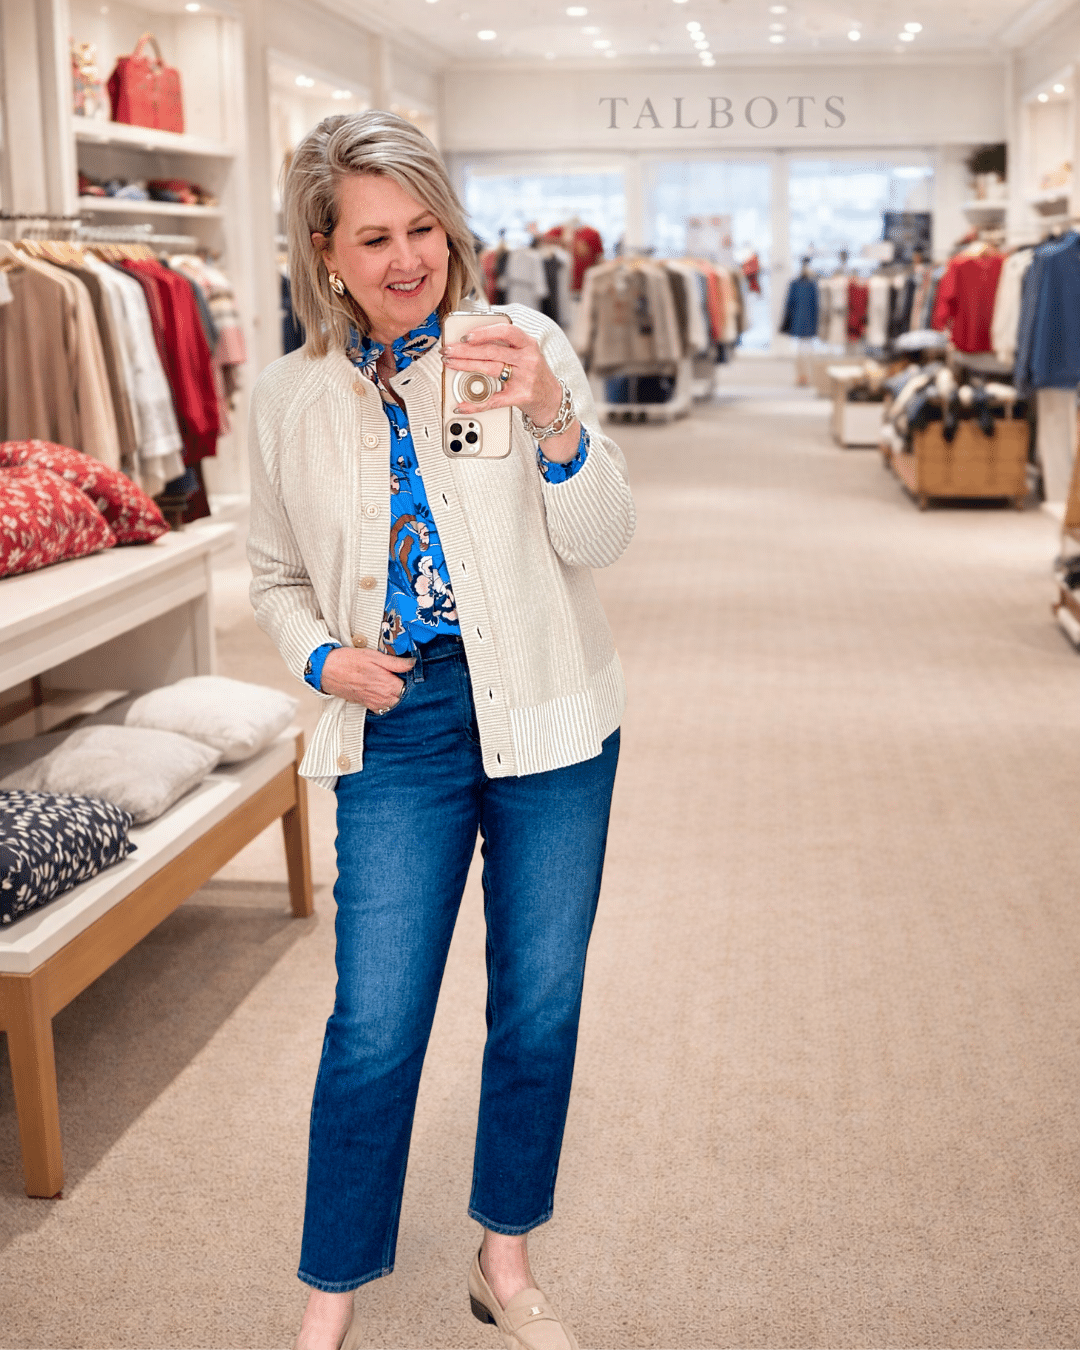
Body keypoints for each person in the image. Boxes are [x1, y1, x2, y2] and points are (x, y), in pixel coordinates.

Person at [247, 110, 635, 1350]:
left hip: (552, 716)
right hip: (400, 727)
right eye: (375, 236)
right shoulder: (292, 396)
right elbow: (268, 575)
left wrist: (555, 419)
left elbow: (601, 538)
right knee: (375, 1022)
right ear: (324, 248)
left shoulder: (515, 342)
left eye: (425, 228)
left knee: (537, 1005)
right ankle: (331, 1293)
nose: (407, 257)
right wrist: (320, 655)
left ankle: (503, 1262)